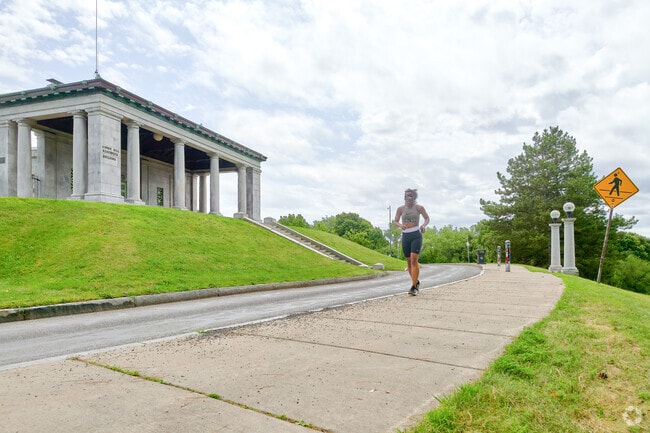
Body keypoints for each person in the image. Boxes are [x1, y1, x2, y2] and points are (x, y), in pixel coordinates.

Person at [393, 188, 430, 295]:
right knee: (409, 262)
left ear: (414, 197)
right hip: (405, 235)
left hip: (416, 235)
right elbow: (395, 221)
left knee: (414, 260)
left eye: (411, 196)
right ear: (404, 197)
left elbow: (427, 218)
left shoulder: (419, 208)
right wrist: (400, 225)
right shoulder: (400, 209)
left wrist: (423, 225)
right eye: (407, 196)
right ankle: (416, 281)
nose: (409, 198)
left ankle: (414, 287)